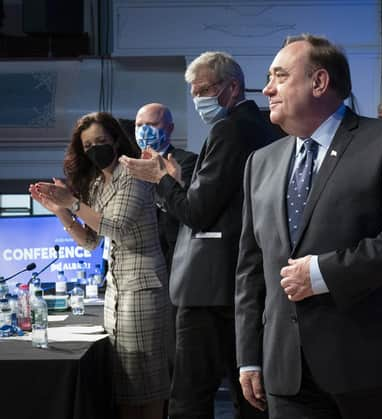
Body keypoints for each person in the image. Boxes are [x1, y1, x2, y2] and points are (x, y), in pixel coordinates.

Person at [235, 34, 382, 419]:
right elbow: (249, 268)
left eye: (279, 75)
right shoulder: (260, 162)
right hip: (288, 373)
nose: (267, 88)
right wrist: (248, 357)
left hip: (374, 366)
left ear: (319, 82)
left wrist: (323, 273)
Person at [120, 51, 274, 419]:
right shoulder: (256, 125)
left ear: (232, 87)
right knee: (248, 395)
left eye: (204, 89)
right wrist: (181, 182)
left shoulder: (233, 128)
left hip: (211, 287)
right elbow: (223, 200)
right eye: (193, 92)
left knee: (190, 397)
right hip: (232, 284)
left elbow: (198, 212)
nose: (198, 99)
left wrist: (161, 179)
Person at [29, 112, 170, 419]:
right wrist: (59, 211)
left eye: (101, 142)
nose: (95, 149)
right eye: (88, 145)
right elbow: (91, 241)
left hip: (144, 290)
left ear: (117, 140)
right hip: (116, 292)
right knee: (125, 388)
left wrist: (73, 203)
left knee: (147, 386)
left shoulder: (133, 175)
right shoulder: (96, 183)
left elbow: (115, 229)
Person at [134, 103, 197, 272]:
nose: (144, 131)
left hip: (171, 258)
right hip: (137, 260)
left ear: (170, 128)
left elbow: (186, 210)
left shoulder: (186, 161)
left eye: (152, 124)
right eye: (139, 125)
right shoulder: (130, 166)